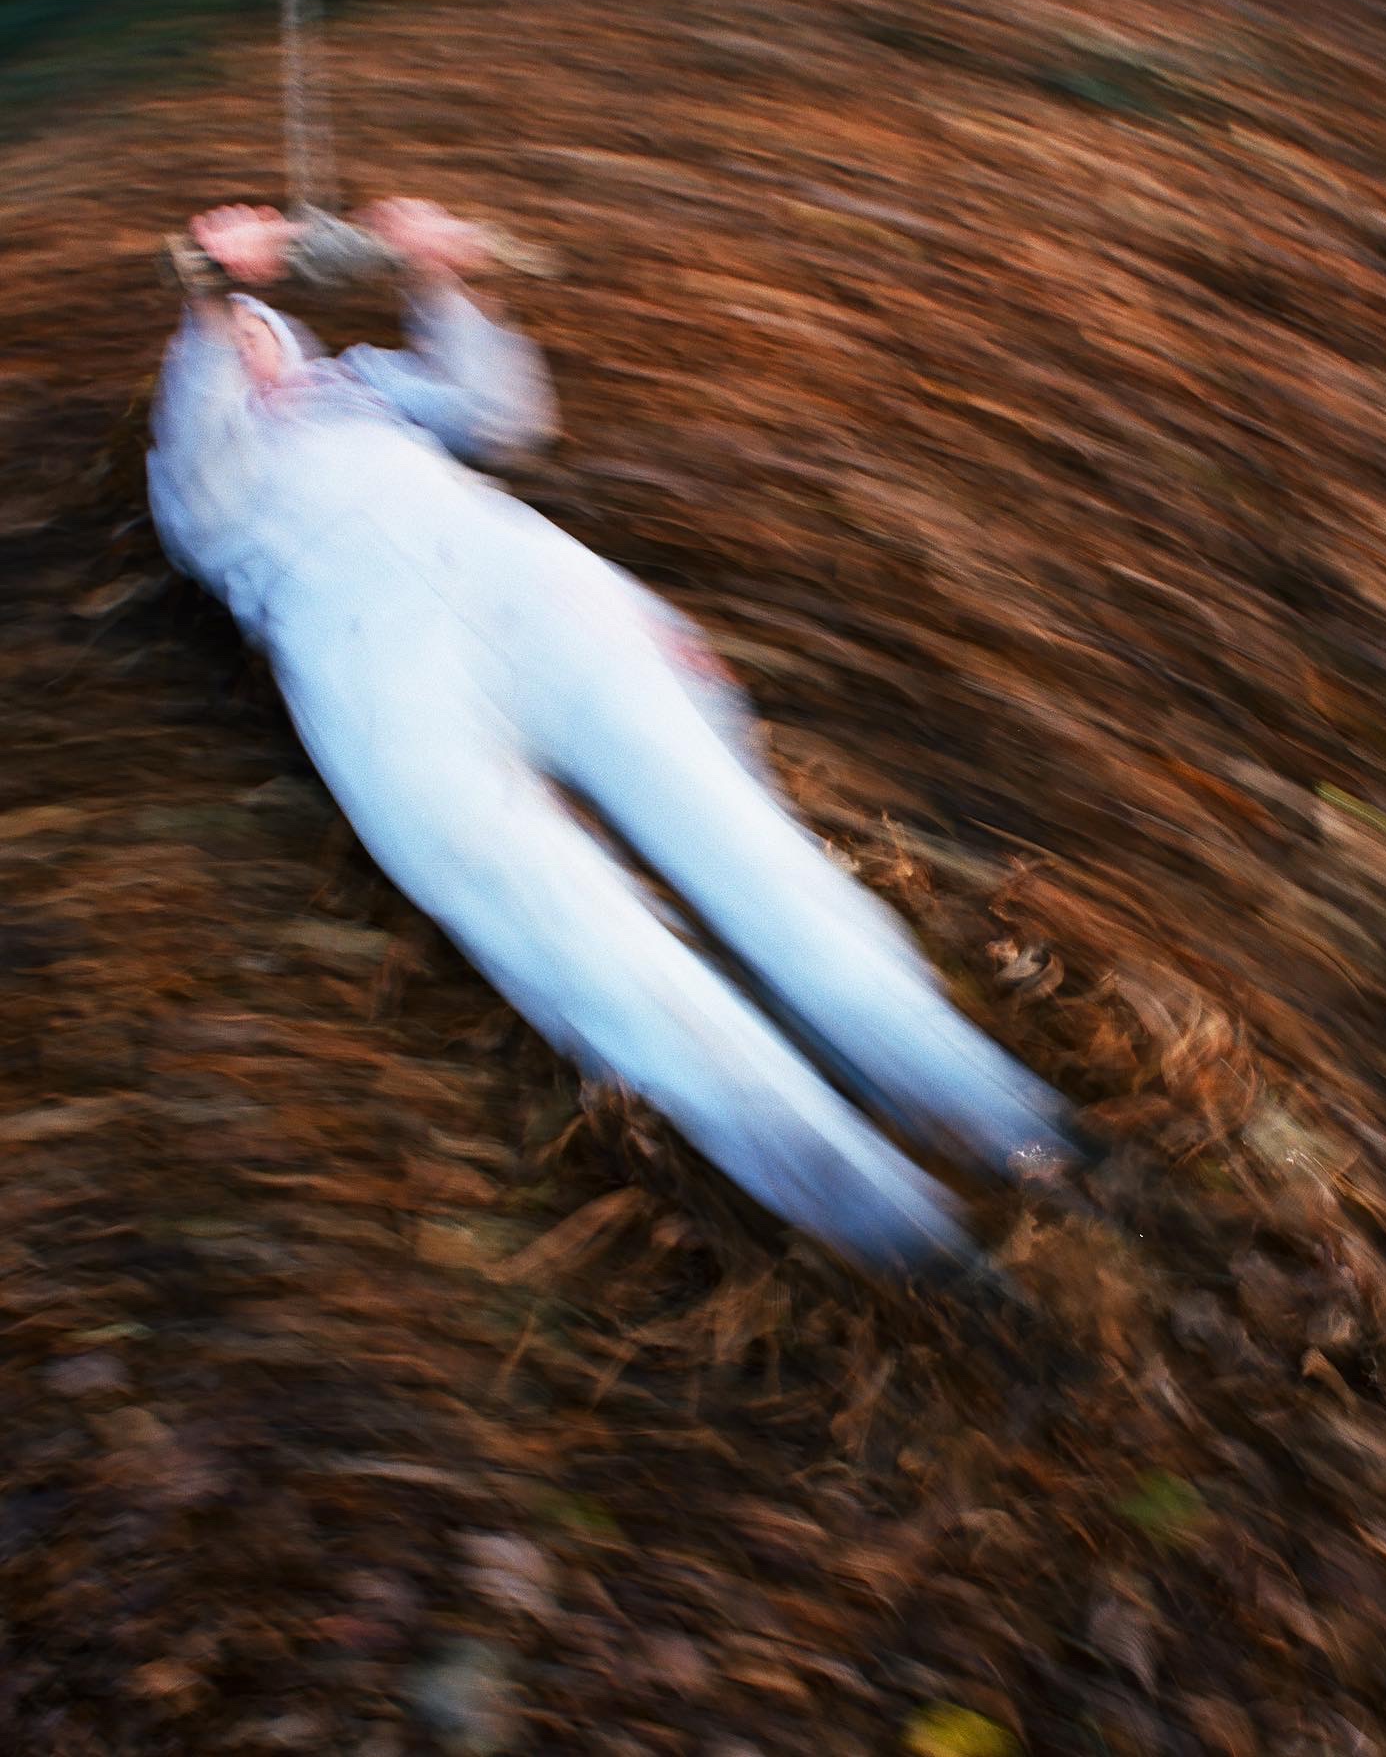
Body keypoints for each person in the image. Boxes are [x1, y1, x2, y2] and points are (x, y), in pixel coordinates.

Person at [148, 198, 1081, 1278]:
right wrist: (211, 295)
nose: (253, 348)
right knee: (583, 945)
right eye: (231, 339)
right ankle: (898, 1232)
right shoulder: (203, 471)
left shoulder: (364, 390)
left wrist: (439, 276)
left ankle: (1012, 1125)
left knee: (757, 859)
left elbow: (506, 418)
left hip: (532, 589)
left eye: (263, 328)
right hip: (371, 668)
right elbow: (201, 494)